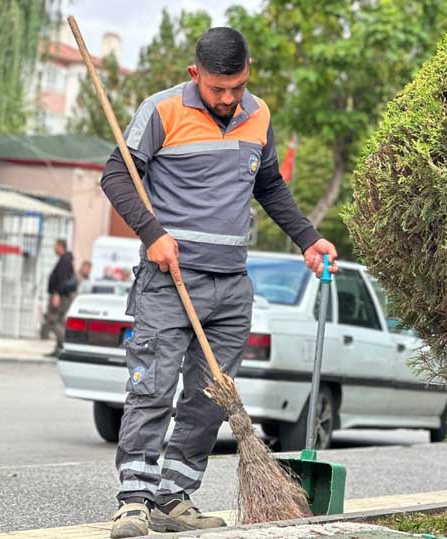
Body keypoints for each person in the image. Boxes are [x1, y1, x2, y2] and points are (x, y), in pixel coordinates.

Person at [99, 27, 337, 538]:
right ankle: (134, 500)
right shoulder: (160, 111)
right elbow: (116, 176)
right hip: (170, 277)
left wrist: (307, 238)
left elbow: (268, 184)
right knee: (152, 388)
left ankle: (173, 496)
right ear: (195, 75)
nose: (229, 99)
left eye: (237, 87)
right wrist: (152, 233)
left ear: (247, 71)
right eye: (217, 89)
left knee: (211, 396)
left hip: (231, 284)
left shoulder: (260, 115)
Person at [44, 239, 76, 357]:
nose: (54, 248)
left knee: (52, 320)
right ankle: (59, 348)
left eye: (55, 246)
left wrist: (56, 294)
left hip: (61, 296)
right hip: (61, 295)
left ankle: (64, 345)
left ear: (60, 246)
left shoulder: (65, 260)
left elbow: (61, 279)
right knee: (59, 320)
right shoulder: (65, 259)